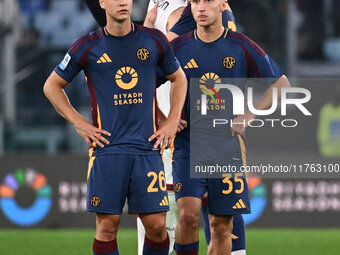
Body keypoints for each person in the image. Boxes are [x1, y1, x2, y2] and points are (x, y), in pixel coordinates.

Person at [43, 0, 187, 254]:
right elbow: (51, 86)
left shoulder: (153, 40)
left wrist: (172, 120)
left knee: (156, 227)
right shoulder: (87, 46)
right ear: (102, 3)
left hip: (147, 149)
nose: (123, 2)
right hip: (107, 151)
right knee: (107, 227)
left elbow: (179, 78)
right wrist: (81, 124)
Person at [168, 0, 291, 254]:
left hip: (227, 148)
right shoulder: (177, 47)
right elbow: (145, 82)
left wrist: (249, 115)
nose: (200, 8)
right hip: (187, 144)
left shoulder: (241, 45)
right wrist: (163, 119)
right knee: (188, 216)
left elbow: (281, 85)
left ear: (223, 4)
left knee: (221, 227)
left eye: (208, 1)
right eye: (195, 2)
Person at [142, 1, 247, 255]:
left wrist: (146, 30)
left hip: (188, 128)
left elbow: (148, 56)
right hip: (182, 130)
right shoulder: (217, 10)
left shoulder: (193, 12)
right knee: (202, 215)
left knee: (213, 216)